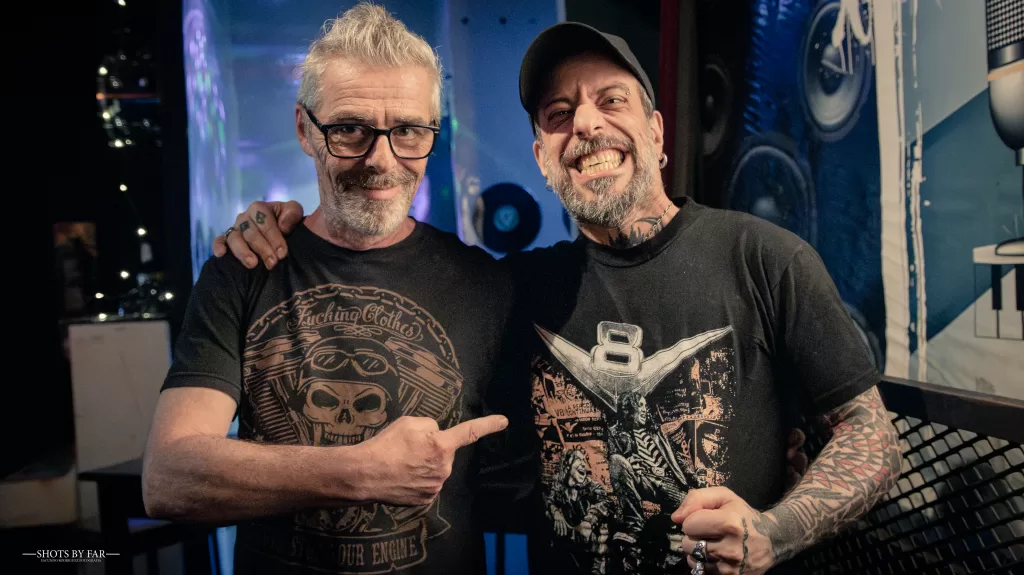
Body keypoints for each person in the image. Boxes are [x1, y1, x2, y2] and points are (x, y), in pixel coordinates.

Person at [214, 19, 902, 575]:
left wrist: (774, 531)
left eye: (612, 100)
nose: (587, 125)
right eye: (559, 114)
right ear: (543, 157)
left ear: (657, 132)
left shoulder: (763, 257)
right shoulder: (512, 287)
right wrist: (285, 231)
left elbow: (871, 432)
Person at [141, 5, 514, 574]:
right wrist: (363, 473)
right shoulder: (244, 268)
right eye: (349, 129)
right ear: (304, 129)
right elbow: (169, 479)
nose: (381, 159)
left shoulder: (488, 284)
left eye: (408, 131)